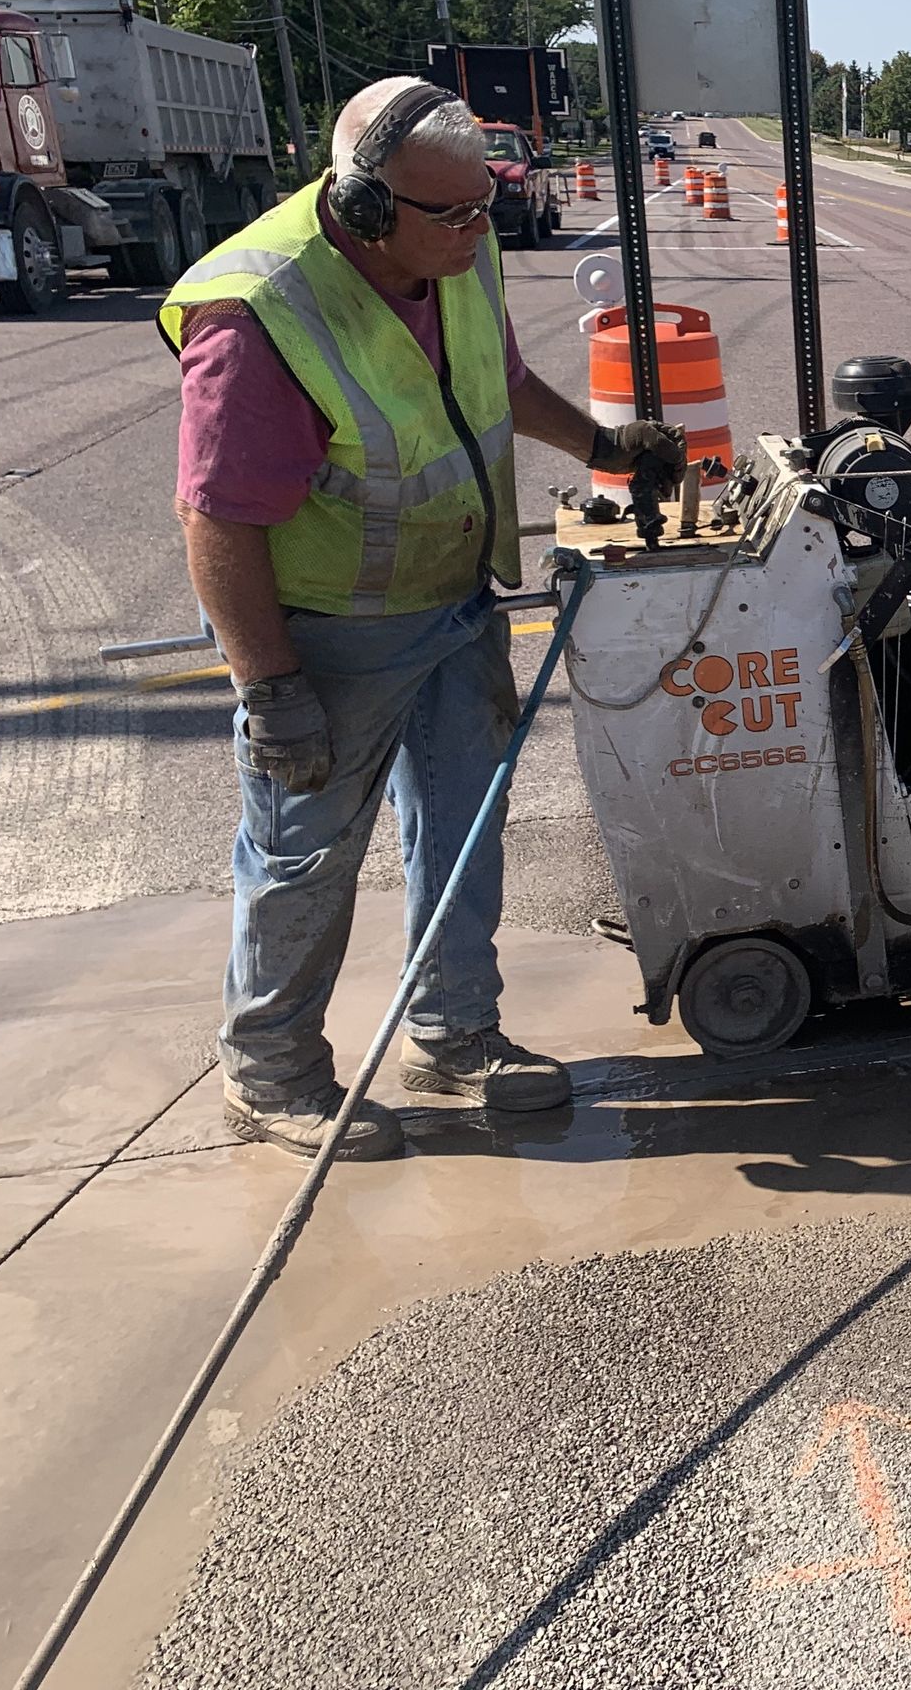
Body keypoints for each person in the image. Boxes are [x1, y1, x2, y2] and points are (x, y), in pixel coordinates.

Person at [160, 78, 681, 1161]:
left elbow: (497, 381)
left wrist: (603, 450)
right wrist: (271, 689)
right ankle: (271, 1071)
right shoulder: (261, 313)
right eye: (448, 212)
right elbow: (216, 516)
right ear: (359, 207)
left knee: (461, 821)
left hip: (453, 603)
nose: (479, 228)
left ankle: (452, 1032)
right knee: (303, 854)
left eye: (485, 202)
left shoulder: (459, 247)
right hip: (330, 635)